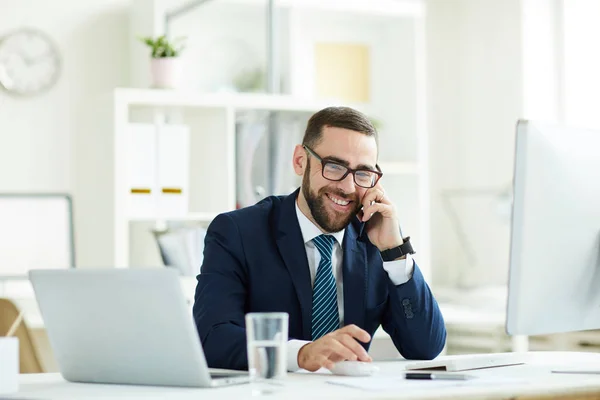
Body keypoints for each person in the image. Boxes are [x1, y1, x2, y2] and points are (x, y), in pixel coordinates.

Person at [193, 107, 446, 372]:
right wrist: (300, 354)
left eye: (362, 173)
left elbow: (426, 347)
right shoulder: (238, 232)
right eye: (334, 166)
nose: (348, 188)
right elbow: (211, 338)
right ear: (300, 161)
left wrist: (395, 253)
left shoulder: (375, 238)